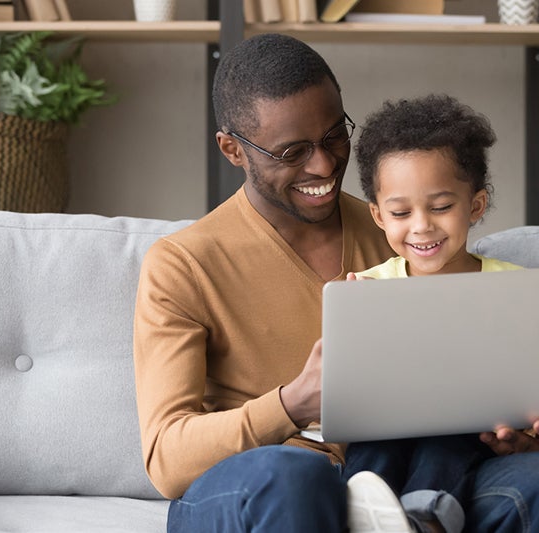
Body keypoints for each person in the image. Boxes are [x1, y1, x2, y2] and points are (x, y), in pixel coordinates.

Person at [133, 33, 393, 531]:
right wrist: (293, 404)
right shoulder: (183, 264)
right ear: (232, 149)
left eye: (335, 135)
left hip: (380, 474)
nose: (324, 165)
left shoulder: (398, 232)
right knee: (295, 474)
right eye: (292, 151)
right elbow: (166, 459)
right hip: (252, 485)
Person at [339, 94, 539, 533]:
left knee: (455, 415)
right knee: (376, 442)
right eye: (401, 212)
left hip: (473, 437)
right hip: (385, 442)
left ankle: (426, 516)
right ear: (378, 216)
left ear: (475, 206)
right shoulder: (367, 289)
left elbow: (536, 392)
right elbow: (347, 404)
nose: (421, 225)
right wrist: (351, 343)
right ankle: (370, 514)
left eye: (441, 207)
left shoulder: (514, 287)